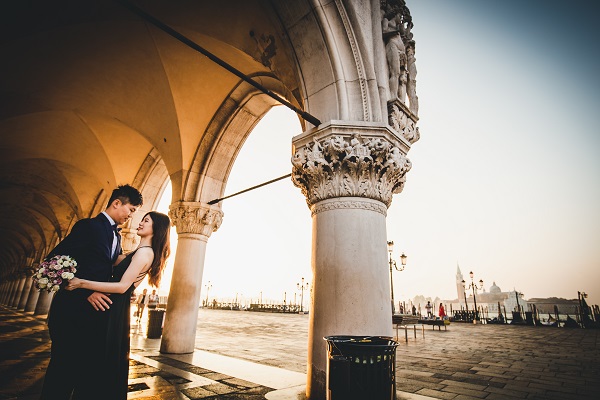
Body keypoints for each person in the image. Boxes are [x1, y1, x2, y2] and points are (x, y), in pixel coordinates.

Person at [40, 184, 143, 400]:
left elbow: (106, 273)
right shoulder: (88, 226)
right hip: (70, 313)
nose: (131, 216)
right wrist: (84, 292)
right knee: (62, 371)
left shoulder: (117, 237)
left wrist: (124, 292)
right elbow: (52, 262)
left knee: (81, 373)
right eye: (131, 210)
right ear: (117, 203)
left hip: (92, 318)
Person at [66, 211, 171, 400]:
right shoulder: (139, 252)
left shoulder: (145, 253)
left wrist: (81, 283)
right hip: (113, 307)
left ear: (156, 229)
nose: (140, 223)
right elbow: (117, 269)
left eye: (146, 221)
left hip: (111, 309)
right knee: (100, 357)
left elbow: (123, 287)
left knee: (99, 357)